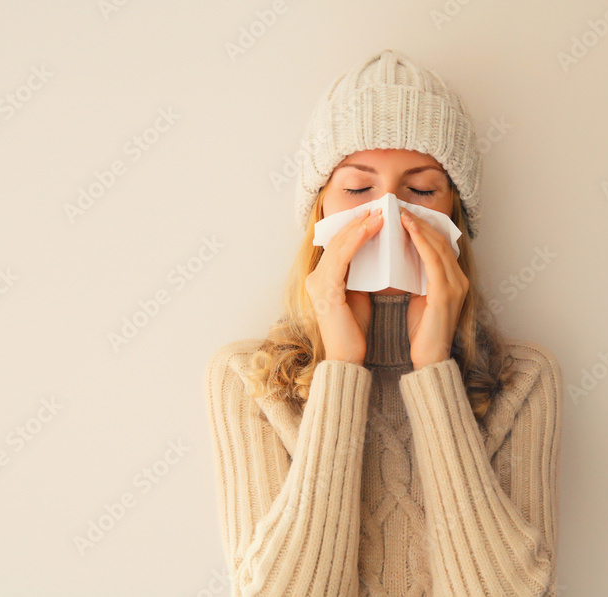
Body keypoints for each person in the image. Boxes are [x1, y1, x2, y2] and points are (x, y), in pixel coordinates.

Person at [204, 48, 563, 597]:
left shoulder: (524, 379)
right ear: (320, 211)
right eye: (356, 189)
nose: (388, 214)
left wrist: (434, 369)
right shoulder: (251, 379)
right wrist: (342, 368)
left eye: (421, 190)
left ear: (455, 217)